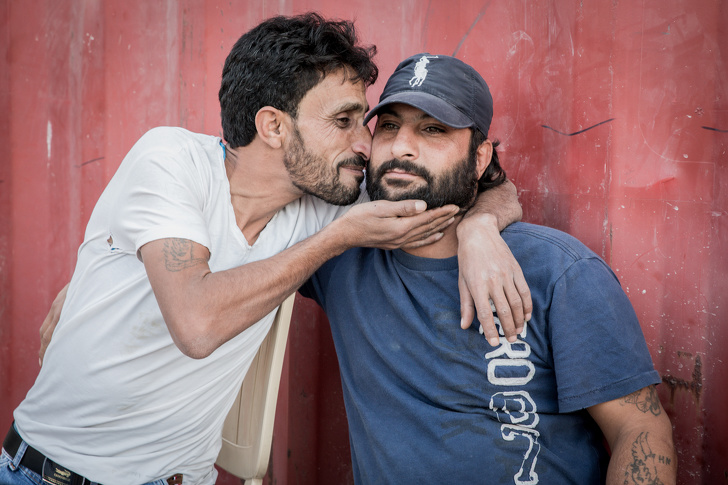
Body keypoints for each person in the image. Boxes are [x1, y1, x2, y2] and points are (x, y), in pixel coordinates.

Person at [2, 15, 530, 485]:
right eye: (343, 121)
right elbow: (197, 324)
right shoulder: (172, 160)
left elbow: (482, 184)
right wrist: (338, 239)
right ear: (273, 125)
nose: (366, 145)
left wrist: (480, 229)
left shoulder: (328, 195)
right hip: (48, 474)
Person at [299, 53, 677, 484]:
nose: (401, 146)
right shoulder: (340, 252)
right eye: (388, 126)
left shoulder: (559, 272)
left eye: (432, 129)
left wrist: (478, 226)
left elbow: (639, 428)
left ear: (479, 159)